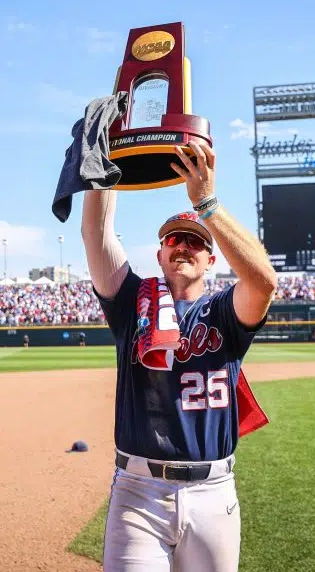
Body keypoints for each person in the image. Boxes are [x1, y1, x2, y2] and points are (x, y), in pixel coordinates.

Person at [81, 141, 277, 571]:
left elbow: (263, 282)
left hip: (214, 492)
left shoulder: (225, 310)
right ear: (160, 254)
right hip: (138, 491)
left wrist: (206, 204)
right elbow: (96, 234)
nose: (183, 245)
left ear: (210, 258)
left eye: (194, 240)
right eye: (174, 238)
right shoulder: (133, 300)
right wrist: (105, 161)